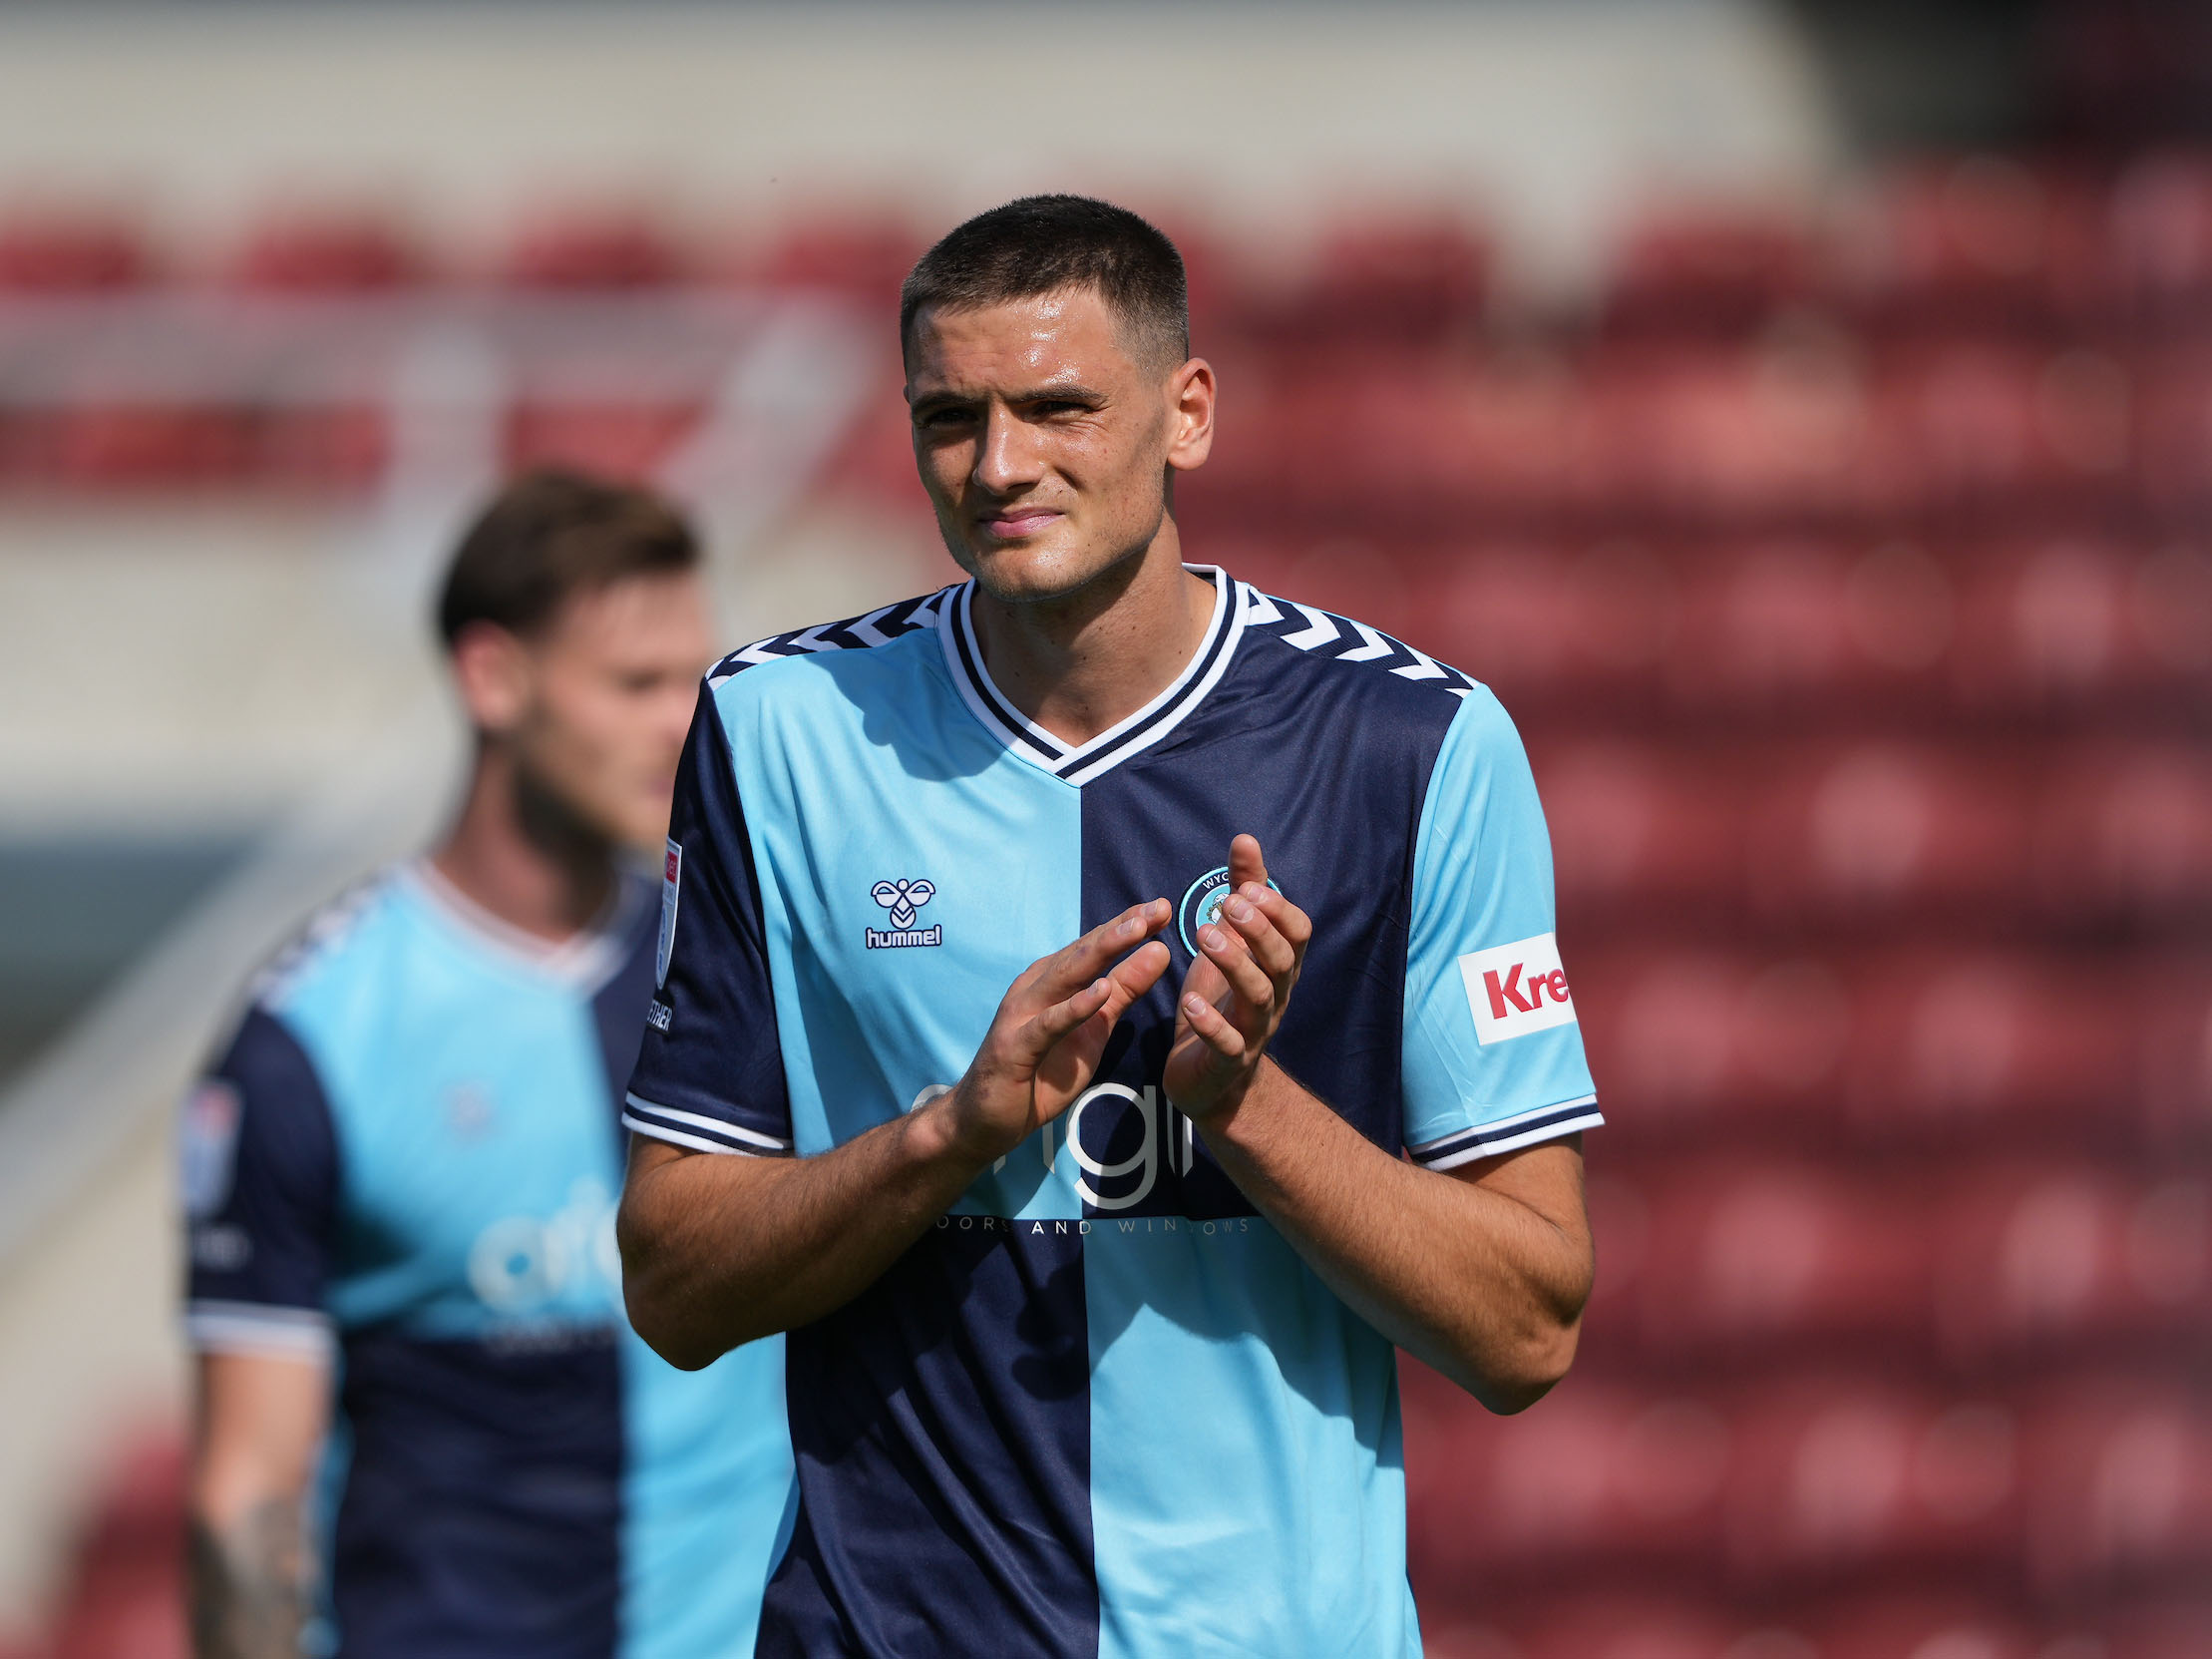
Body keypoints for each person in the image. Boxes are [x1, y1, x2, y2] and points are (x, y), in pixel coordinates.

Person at [616, 196, 1600, 1656]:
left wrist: (1246, 1106)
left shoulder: (1414, 744)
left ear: (1186, 411)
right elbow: (675, 1282)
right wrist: (950, 1131)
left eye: (1057, 406)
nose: (999, 464)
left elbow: (1528, 1325)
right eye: (949, 416)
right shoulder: (780, 729)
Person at [182, 469, 794, 1659]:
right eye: (635, 683)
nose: (685, 723)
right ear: (493, 677)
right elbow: (247, 1495)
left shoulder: (745, 971)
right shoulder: (311, 1038)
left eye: (696, 680)